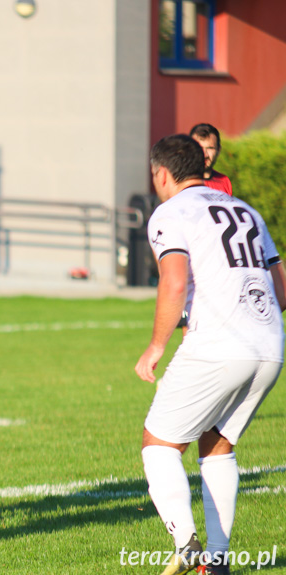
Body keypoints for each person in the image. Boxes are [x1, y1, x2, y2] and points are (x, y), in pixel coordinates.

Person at [135, 134, 285, 575]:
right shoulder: (248, 211)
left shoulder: (170, 212)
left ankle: (186, 545)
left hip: (219, 343)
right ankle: (217, 561)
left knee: (159, 445)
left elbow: (174, 281)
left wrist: (157, 346)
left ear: (162, 174)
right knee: (217, 445)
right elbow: (281, 288)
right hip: (270, 344)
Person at [189, 123, 233, 196]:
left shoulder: (224, 181)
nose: (205, 154)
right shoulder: (181, 182)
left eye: (210, 148)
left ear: (218, 150)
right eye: (199, 148)